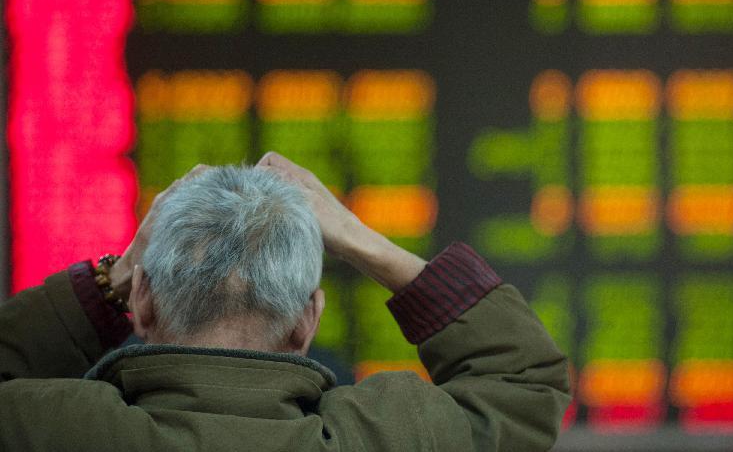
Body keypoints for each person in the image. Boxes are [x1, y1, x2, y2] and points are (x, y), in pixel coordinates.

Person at [0, 152, 570, 451]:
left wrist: (113, 280)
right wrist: (355, 236)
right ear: (307, 323)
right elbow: (521, 381)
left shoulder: (46, 428)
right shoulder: (385, 439)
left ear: (142, 305)